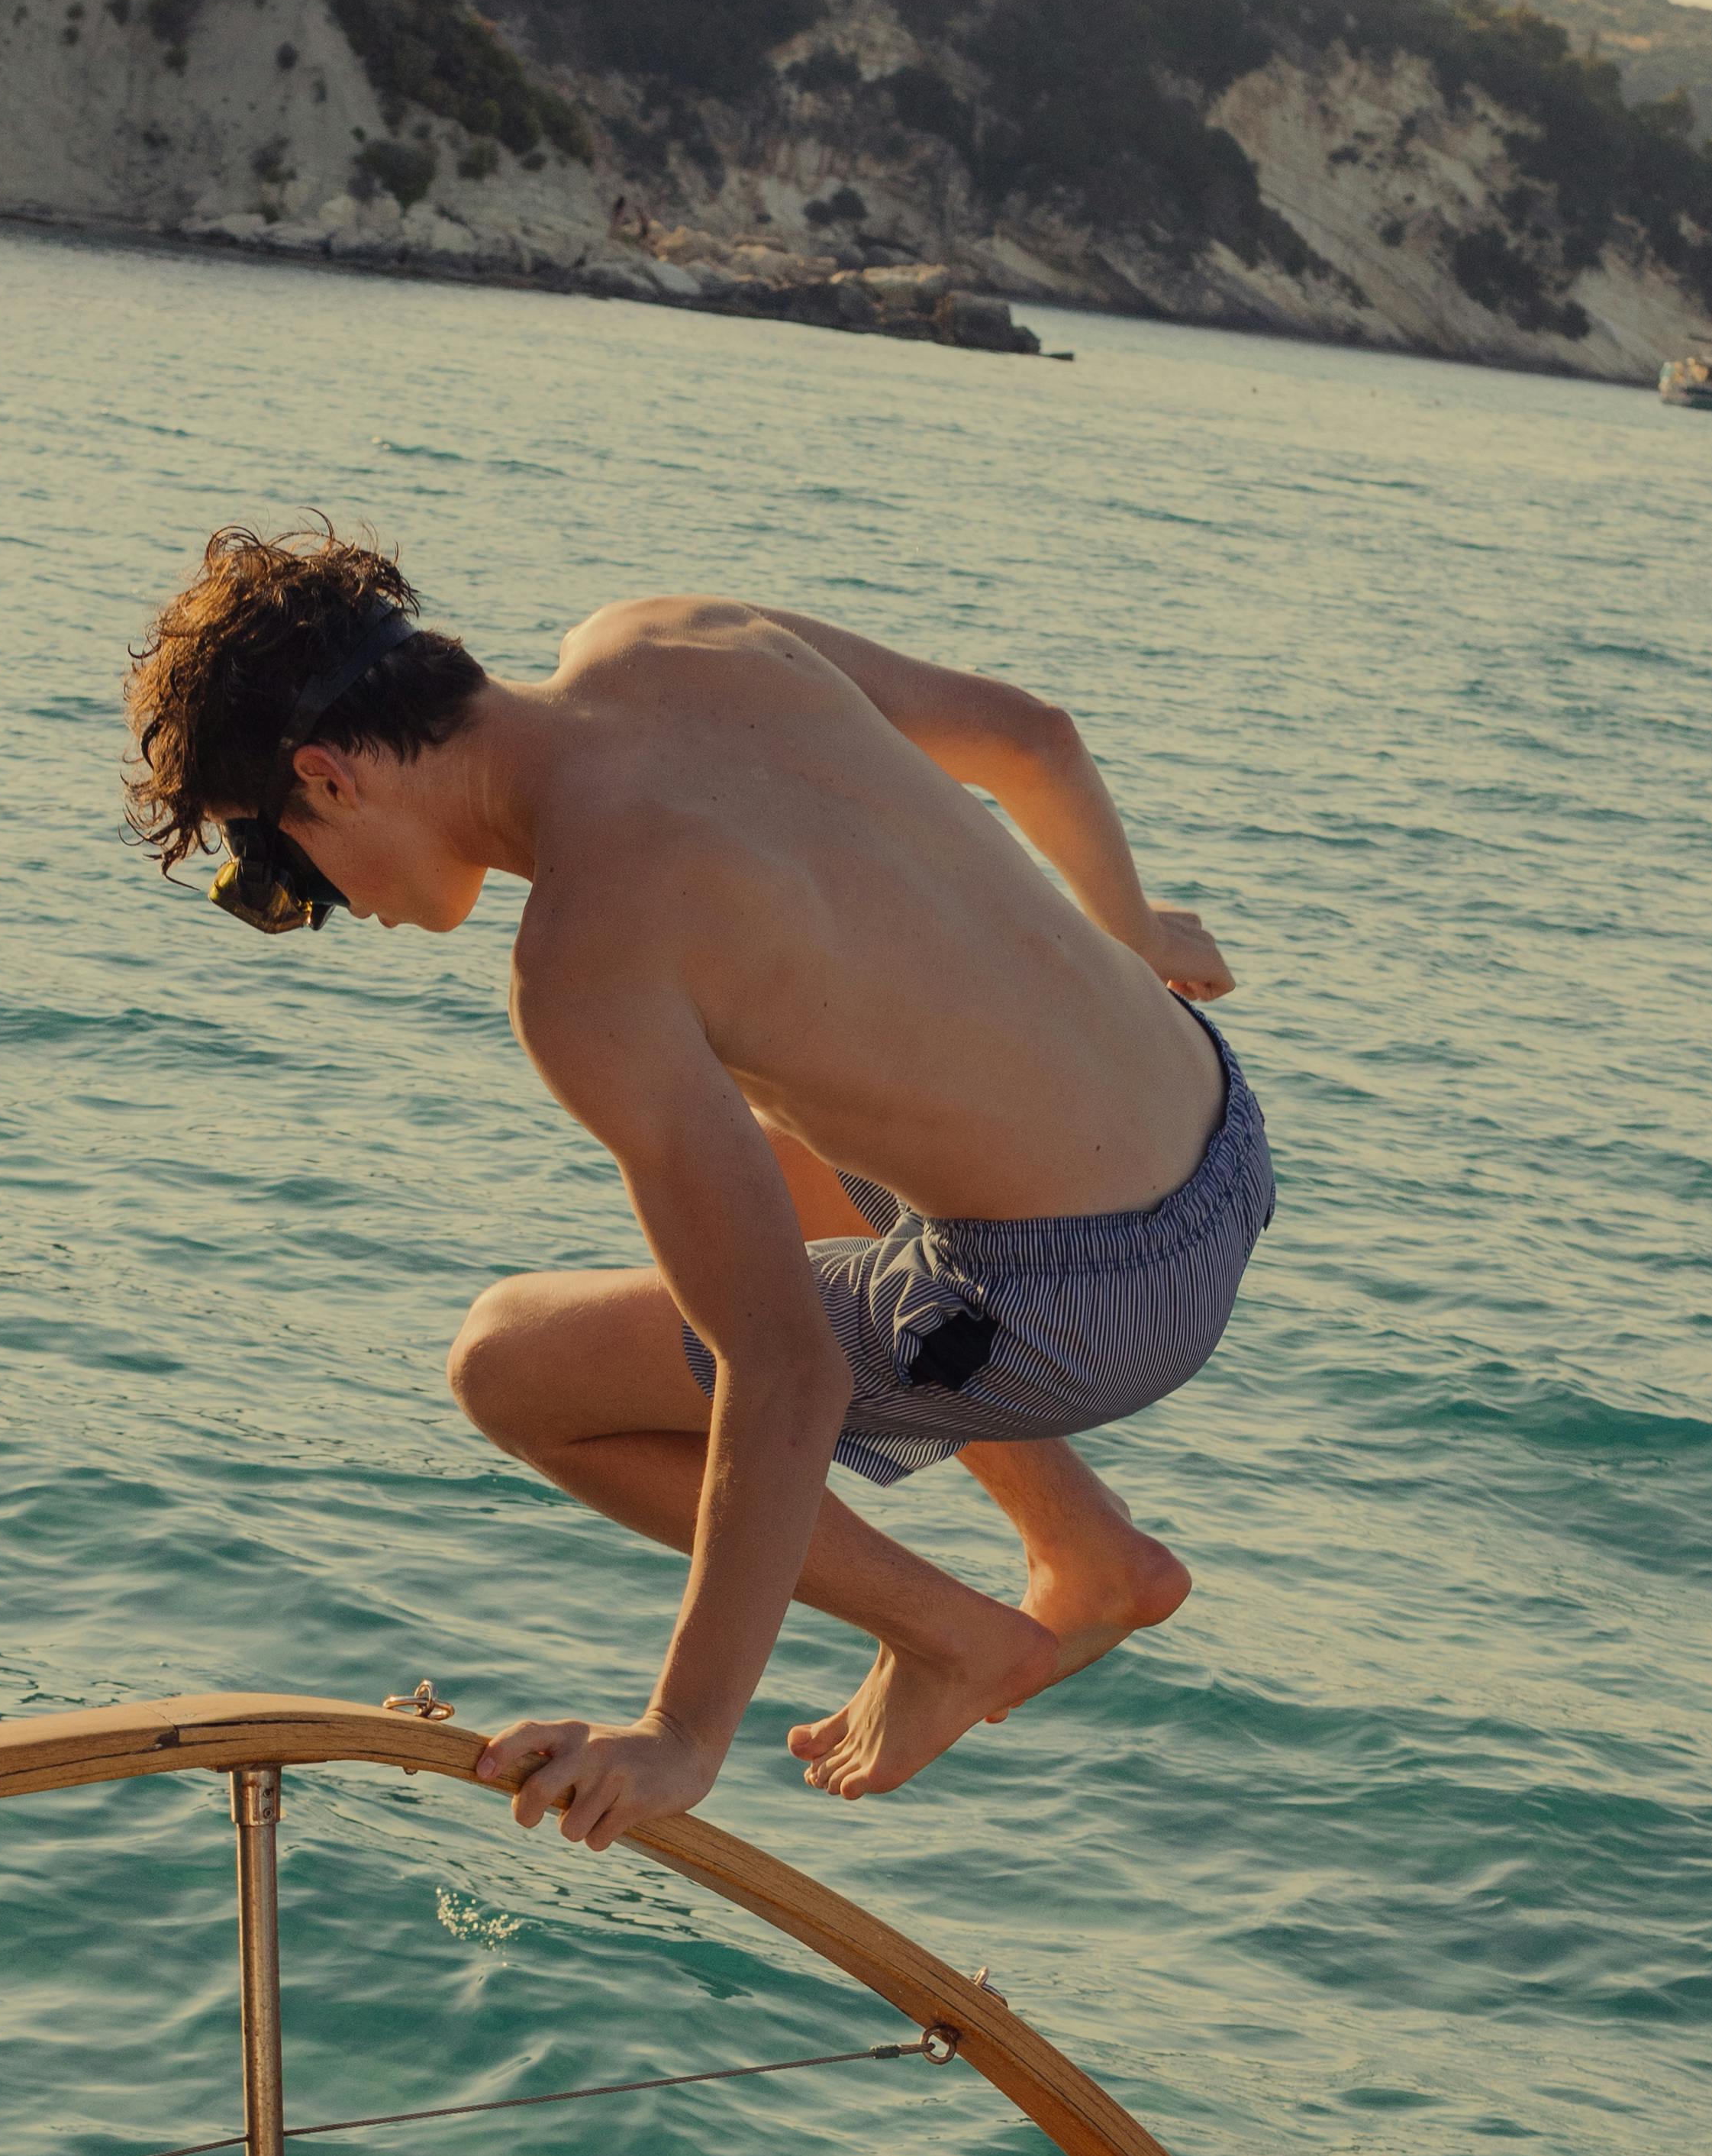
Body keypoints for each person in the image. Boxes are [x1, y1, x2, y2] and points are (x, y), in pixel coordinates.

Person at [123, 521, 1266, 1831]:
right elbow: (1036, 739)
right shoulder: (671, 636)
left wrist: (678, 1735)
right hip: (1221, 1141)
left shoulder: (583, 968)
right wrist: (1121, 944)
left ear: (326, 780)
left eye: (270, 869)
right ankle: (1084, 1549)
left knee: (507, 1365)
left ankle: (957, 1639)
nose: (313, 907)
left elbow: (785, 1372)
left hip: (1088, 1310)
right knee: (768, 1112)